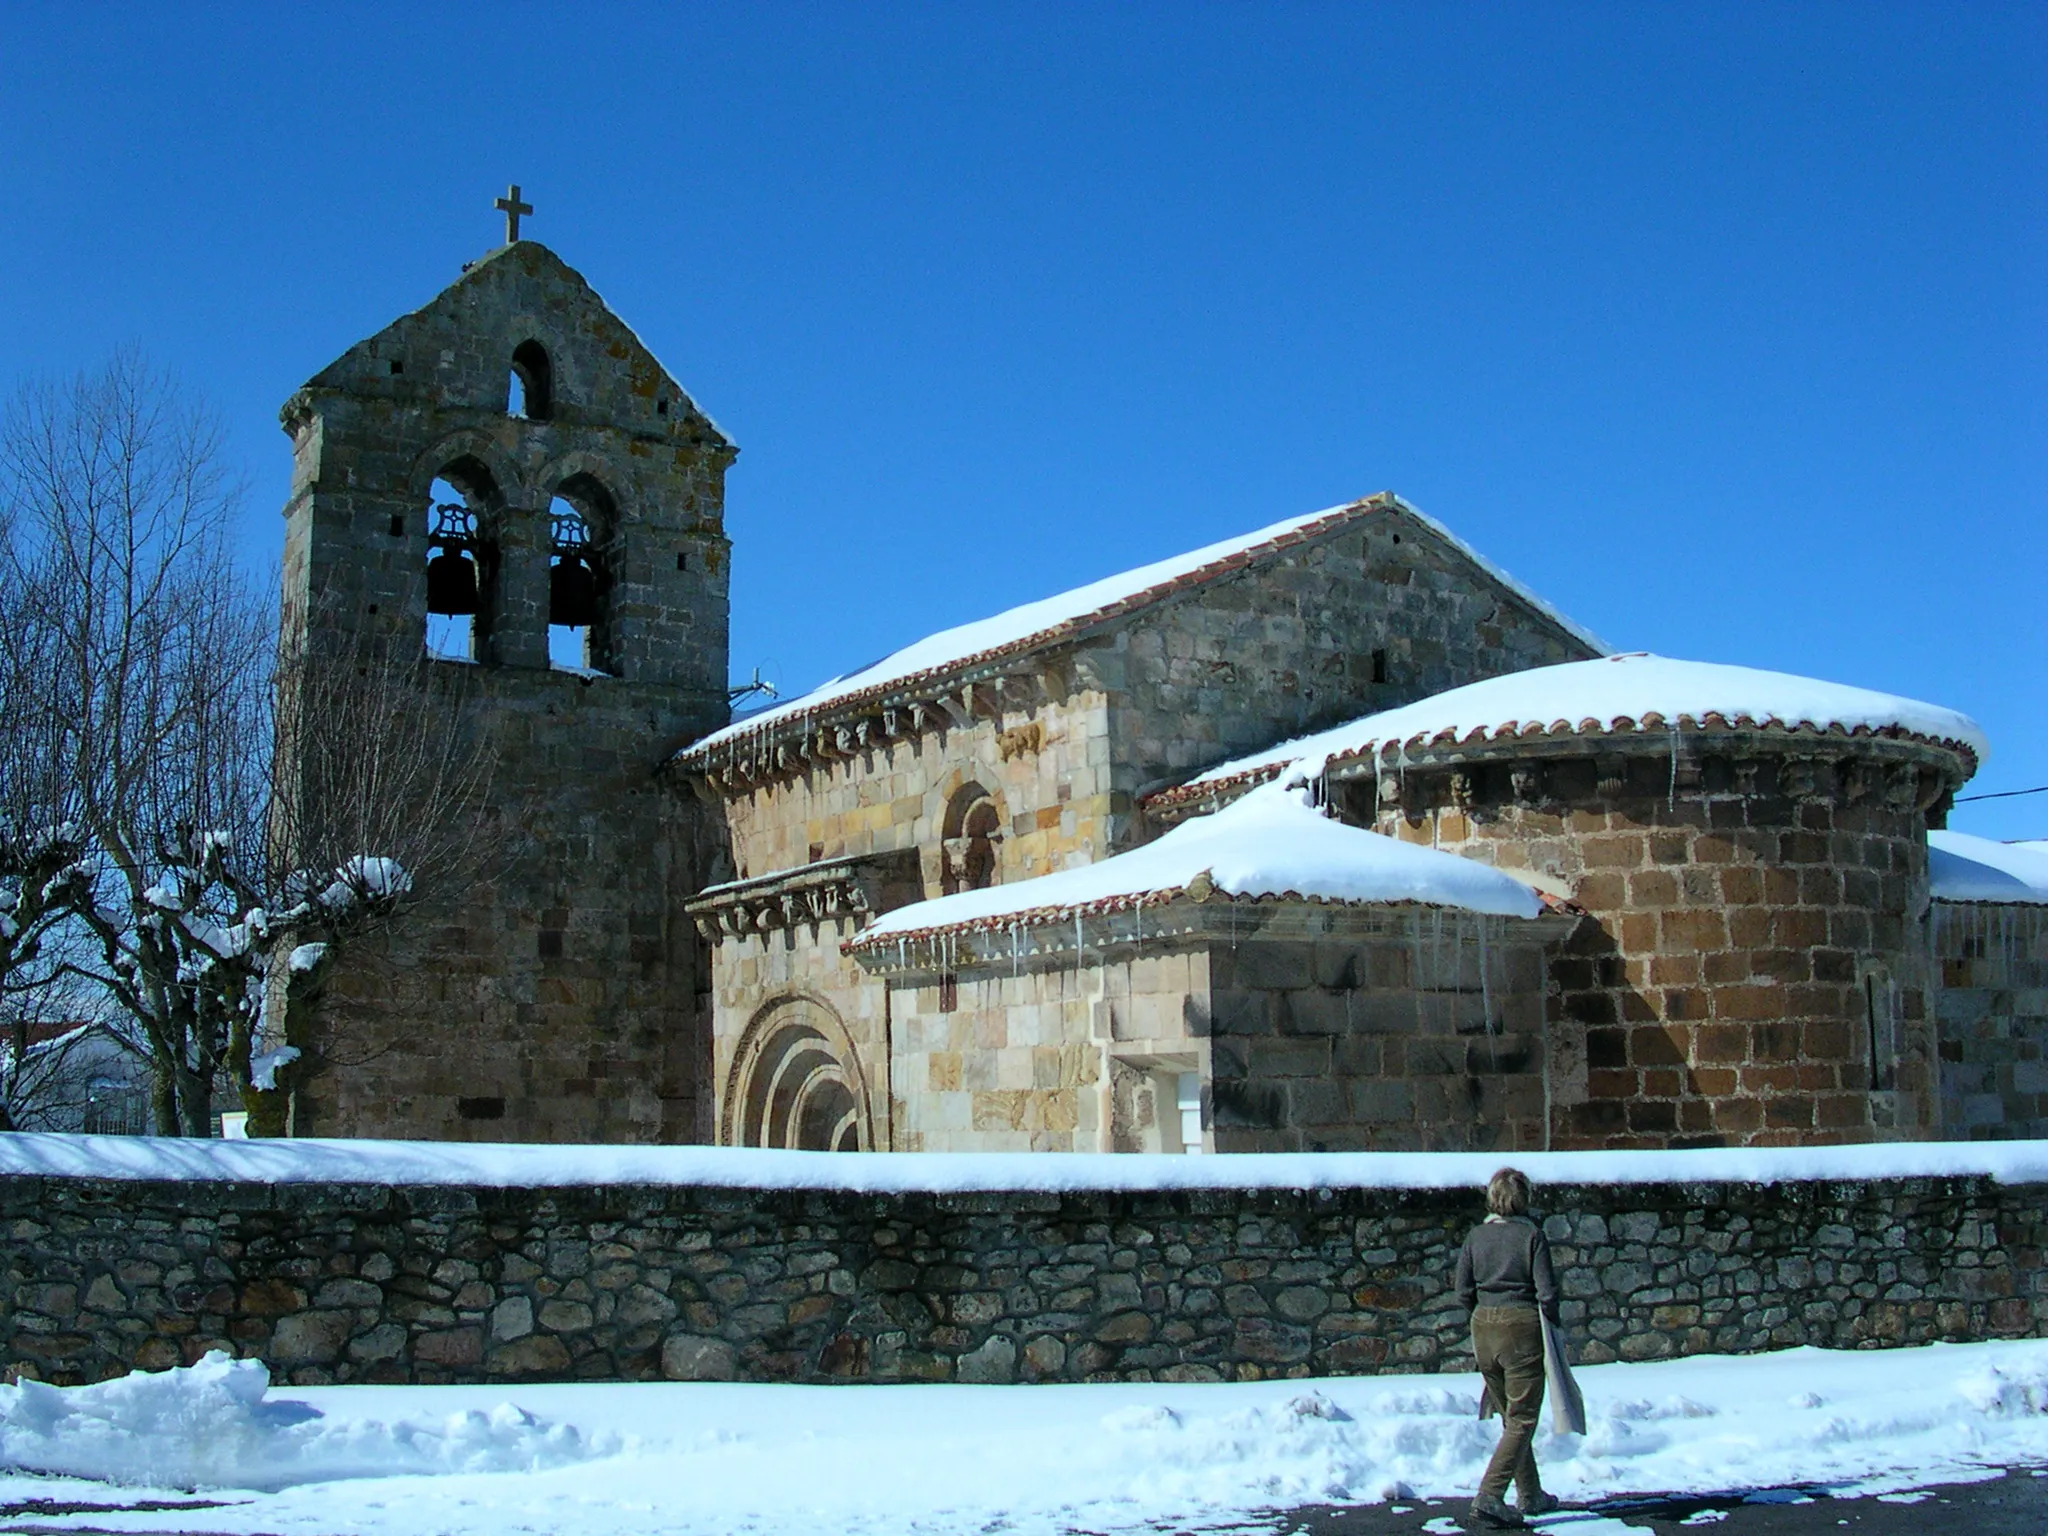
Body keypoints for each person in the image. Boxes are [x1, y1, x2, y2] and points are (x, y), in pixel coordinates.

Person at [1454, 1166, 1563, 1529]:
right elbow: (1547, 1292)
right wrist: (1551, 1326)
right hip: (1521, 1327)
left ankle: (1530, 1493)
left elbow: (1462, 1290)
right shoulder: (1532, 1235)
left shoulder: (1475, 1236)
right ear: (1524, 1197)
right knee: (1523, 1418)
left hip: (1482, 1328)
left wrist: (1483, 1313)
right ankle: (1489, 1494)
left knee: (1510, 1417)